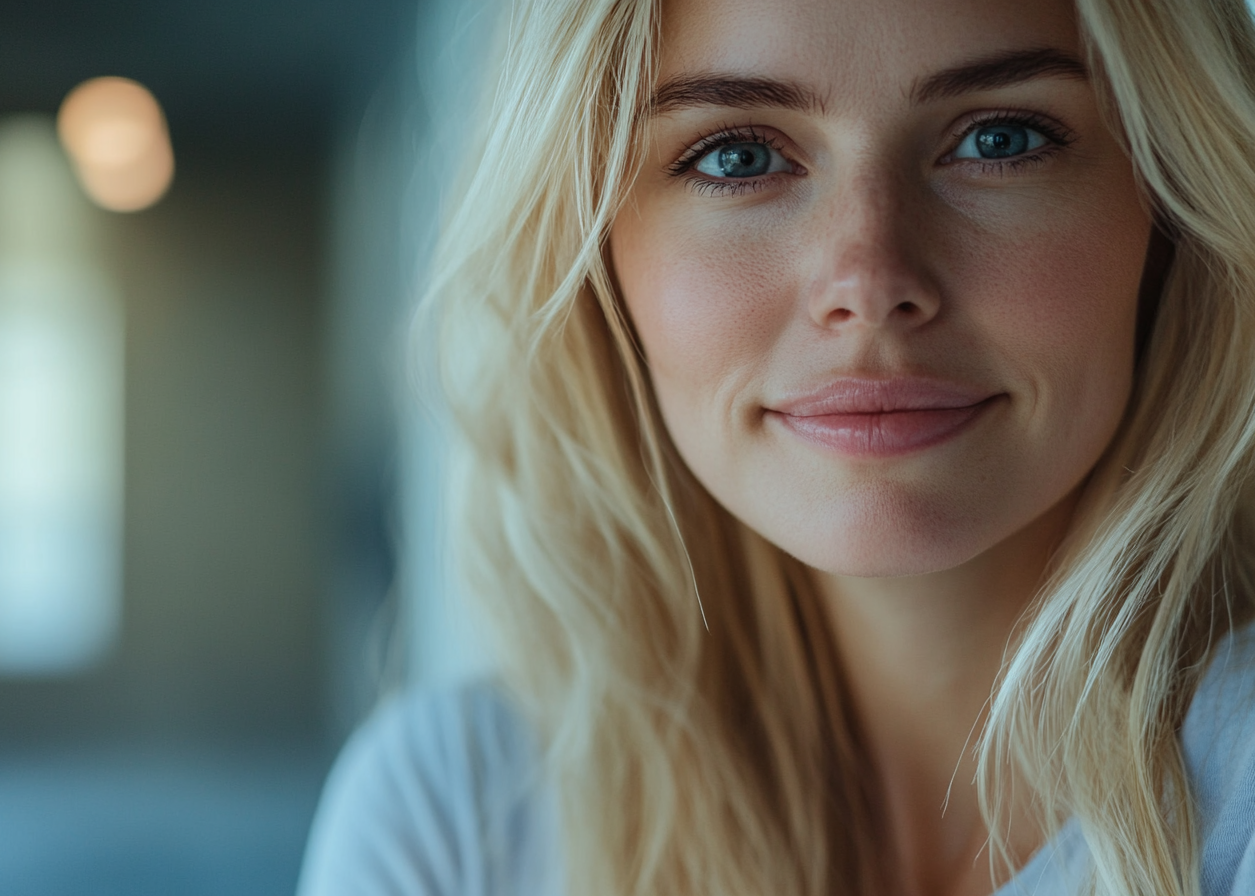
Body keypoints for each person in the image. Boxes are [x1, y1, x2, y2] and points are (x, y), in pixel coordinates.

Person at [297, 0, 1255, 893]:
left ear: (1166, 209)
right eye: (739, 158)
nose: (870, 281)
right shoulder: (458, 827)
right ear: (592, 251)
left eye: (999, 139)